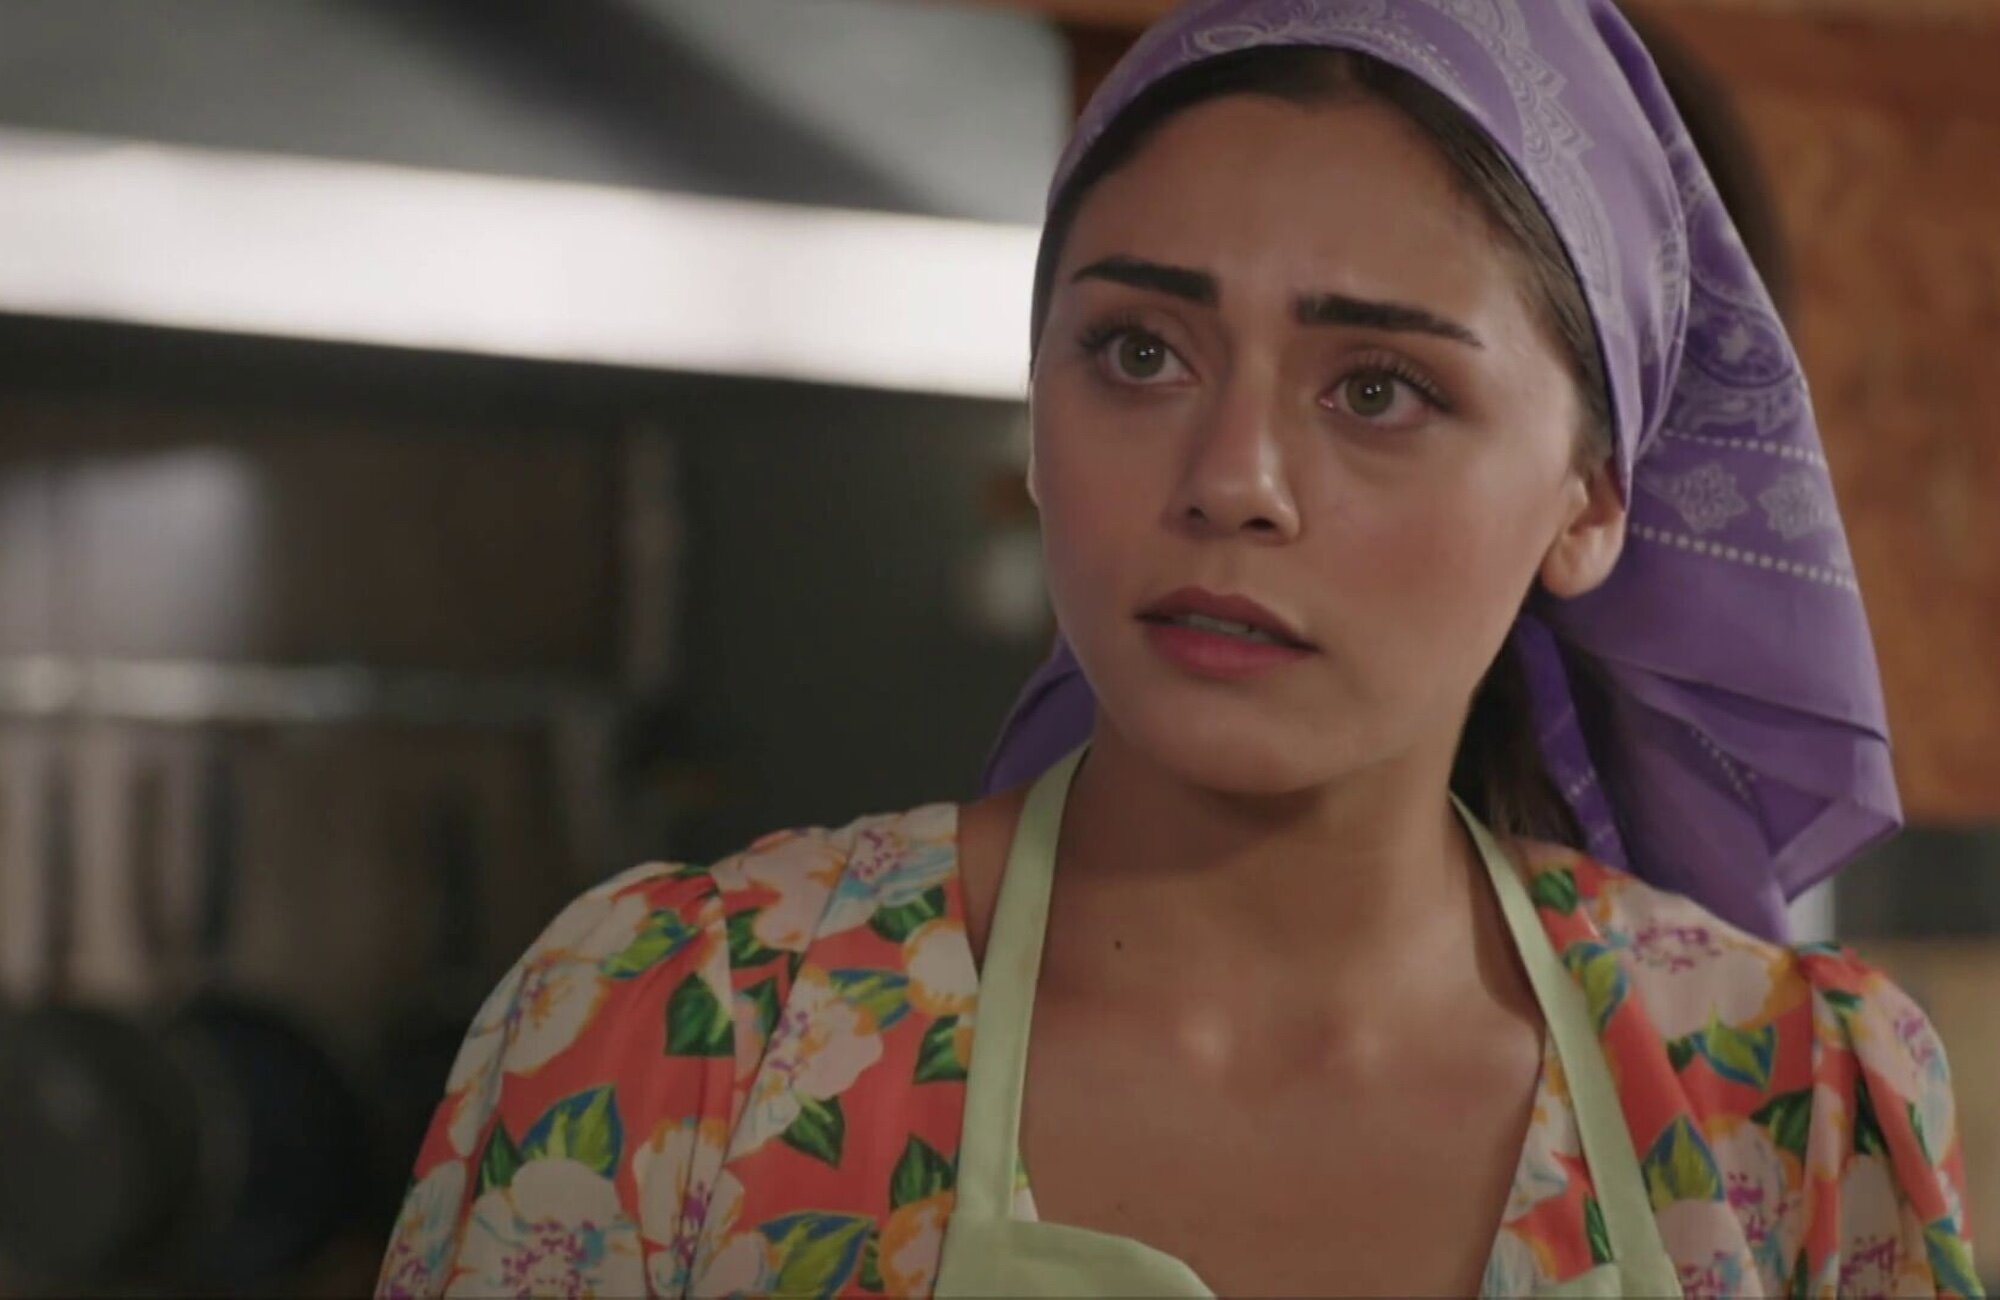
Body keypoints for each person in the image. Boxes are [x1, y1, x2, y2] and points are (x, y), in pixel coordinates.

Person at [376, 2, 1979, 1296]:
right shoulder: (678, 1038)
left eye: (1378, 389)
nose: (1231, 480)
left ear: (1590, 502)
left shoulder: (1783, 1111)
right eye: (1140, 351)